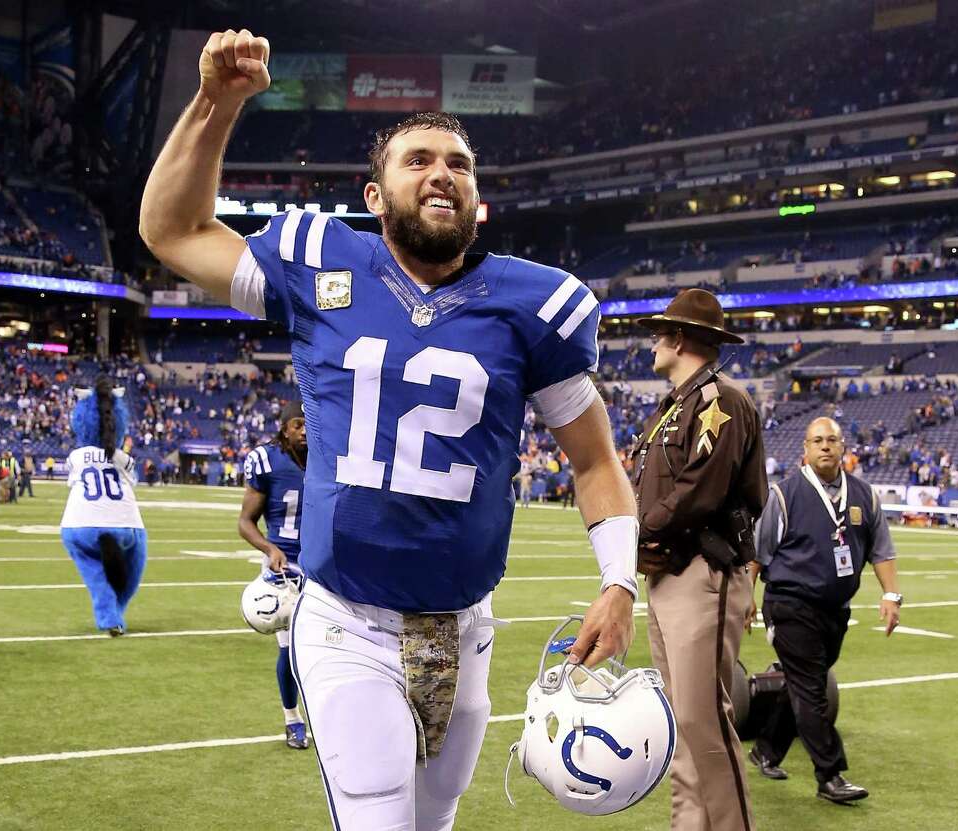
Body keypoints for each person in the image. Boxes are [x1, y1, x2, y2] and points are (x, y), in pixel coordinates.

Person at [140, 29, 639, 831]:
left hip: (467, 627)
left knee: (434, 822)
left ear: (478, 200)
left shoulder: (534, 305)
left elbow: (595, 461)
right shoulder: (320, 266)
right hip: (346, 619)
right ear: (375, 198)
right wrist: (216, 103)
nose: (441, 171)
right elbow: (171, 230)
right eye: (418, 160)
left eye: (459, 163)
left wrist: (619, 581)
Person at [629, 288, 767, 831]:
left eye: (660, 333)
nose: (653, 344)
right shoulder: (679, 404)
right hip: (670, 575)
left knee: (703, 720)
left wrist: (637, 531)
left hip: (703, 573)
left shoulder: (720, 401)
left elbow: (700, 490)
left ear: (681, 338)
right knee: (684, 724)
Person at [746, 416, 903, 804]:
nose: (825, 446)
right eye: (817, 440)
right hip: (789, 604)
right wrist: (743, 597)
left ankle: (766, 749)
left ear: (843, 446)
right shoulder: (784, 495)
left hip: (835, 609)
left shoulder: (864, 496)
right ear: (805, 449)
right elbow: (757, 552)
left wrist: (891, 595)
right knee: (811, 687)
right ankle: (830, 775)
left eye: (831, 439)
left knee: (803, 682)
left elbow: (881, 549)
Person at [237, 400, 310, 750]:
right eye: (298, 424)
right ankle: (292, 717)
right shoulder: (267, 460)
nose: (305, 430)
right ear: (284, 428)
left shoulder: (330, 456)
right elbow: (245, 521)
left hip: (323, 567)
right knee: (290, 651)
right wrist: (270, 549)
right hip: (285, 571)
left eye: (309, 422)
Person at [60, 377, 148, 636]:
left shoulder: (75, 457)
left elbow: (75, 475)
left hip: (79, 523)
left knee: (94, 572)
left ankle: (108, 614)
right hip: (124, 523)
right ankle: (116, 612)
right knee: (136, 554)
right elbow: (134, 480)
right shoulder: (124, 459)